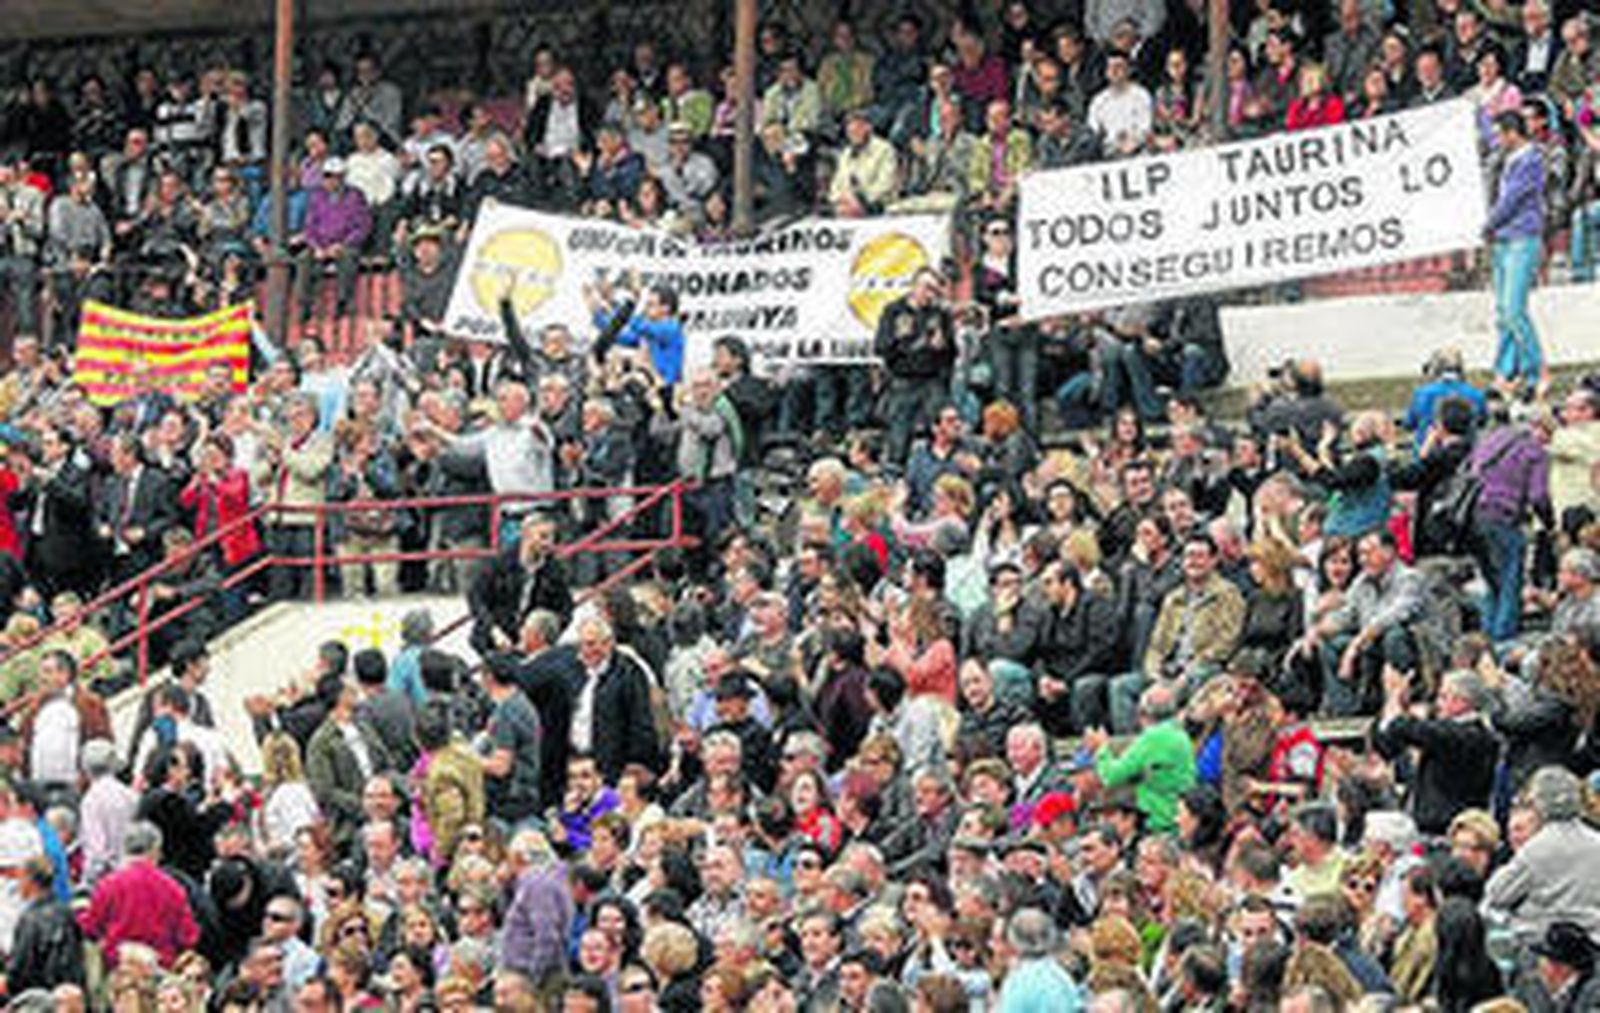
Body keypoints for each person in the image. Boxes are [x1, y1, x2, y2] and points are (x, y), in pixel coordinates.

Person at [1485, 110, 1547, 397]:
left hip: (1522, 237)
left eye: (1500, 133)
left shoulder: (1532, 159)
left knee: (1514, 309)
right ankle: (1505, 371)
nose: (1497, 139)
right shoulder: (1508, 160)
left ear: (1512, 132)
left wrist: (1489, 223)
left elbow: (1512, 200)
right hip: (1504, 239)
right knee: (1503, 312)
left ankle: (1537, 369)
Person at [1083, 683, 1196, 832]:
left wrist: (1101, 748)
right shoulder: (1180, 734)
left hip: (1159, 822)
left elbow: (1110, 776)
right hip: (1175, 816)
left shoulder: (1154, 737)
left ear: (1142, 714)